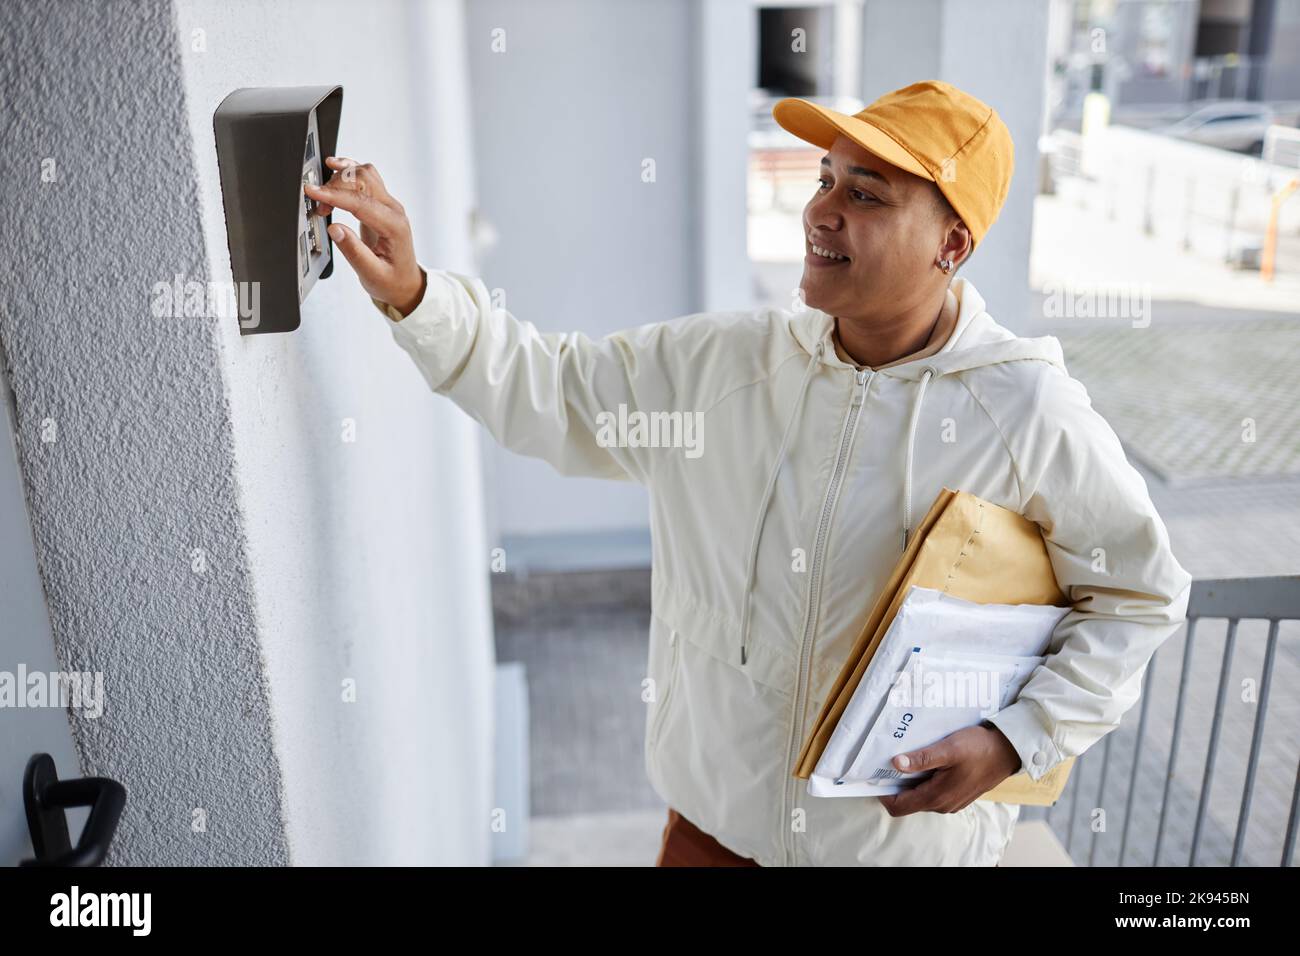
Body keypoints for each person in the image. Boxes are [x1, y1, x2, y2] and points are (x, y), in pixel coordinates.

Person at [303, 80, 1191, 867]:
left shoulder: (1026, 410)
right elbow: (554, 388)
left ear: (951, 244)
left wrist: (1014, 739)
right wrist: (415, 291)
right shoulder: (729, 366)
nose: (822, 211)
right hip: (710, 840)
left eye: (867, 195)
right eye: (824, 181)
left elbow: (1137, 595)